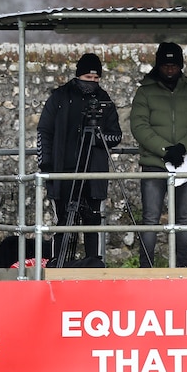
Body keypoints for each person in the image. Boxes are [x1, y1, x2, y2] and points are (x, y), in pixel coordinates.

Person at [36, 52, 122, 265]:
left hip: (93, 172)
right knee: (63, 220)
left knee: (92, 219)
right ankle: (59, 262)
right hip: (63, 170)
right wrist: (45, 164)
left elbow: (116, 135)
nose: (91, 83)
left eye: (95, 79)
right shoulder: (59, 98)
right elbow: (44, 131)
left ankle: (93, 262)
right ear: (78, 76)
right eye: (87, 78)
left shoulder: (104, 100)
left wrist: (96, 137)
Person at [130, 42, 187, 268]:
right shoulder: (145, 91)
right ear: (158, 65)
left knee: (182, 220)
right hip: (154, 164)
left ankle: (183, 267)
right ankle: (146, 269)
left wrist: (182, 148)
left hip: (184, 163)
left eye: (174, 65)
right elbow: (139, 126)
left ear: (180, 65)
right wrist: (166, 151)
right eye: (165, 65)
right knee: (151, 220)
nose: (169, 70)